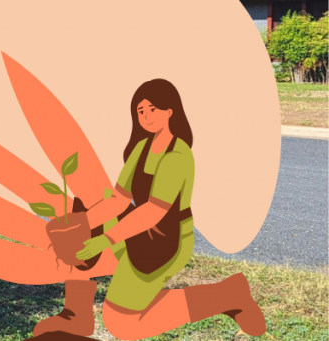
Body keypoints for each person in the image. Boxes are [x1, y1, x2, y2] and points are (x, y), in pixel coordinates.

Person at [32, 79, 266, 339]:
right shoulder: (141, 147)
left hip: (166, 239)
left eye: (152, 109)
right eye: (140, 111)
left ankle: (226, 296)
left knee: (122, 323)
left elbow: (154, 211)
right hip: (139, 226)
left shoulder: (177, 156)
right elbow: (119, 200)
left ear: (169, 111)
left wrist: (103, 240)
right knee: (81, 215)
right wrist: (82, 223)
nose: (145, 116)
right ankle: (76, 314)